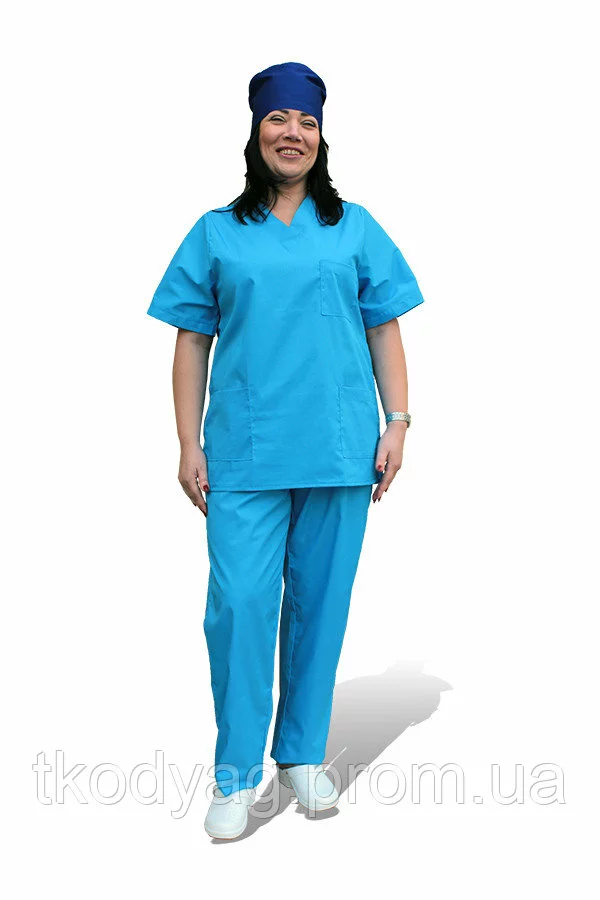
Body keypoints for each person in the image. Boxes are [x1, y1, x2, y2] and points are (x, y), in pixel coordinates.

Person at [146, 61, 425, 840]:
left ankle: (302, 753)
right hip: (245, 449)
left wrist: (398, 421)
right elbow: (191, 340)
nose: (292, 133)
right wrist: (186, 442)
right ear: (256, 132)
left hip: (339, 447)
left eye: (306, 121)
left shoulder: (353, 227)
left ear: (321, 136)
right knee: (239, 607)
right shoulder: (216, 231)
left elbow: (383, 326)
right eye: (278, 119)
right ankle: (236, 774)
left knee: (320, 603)